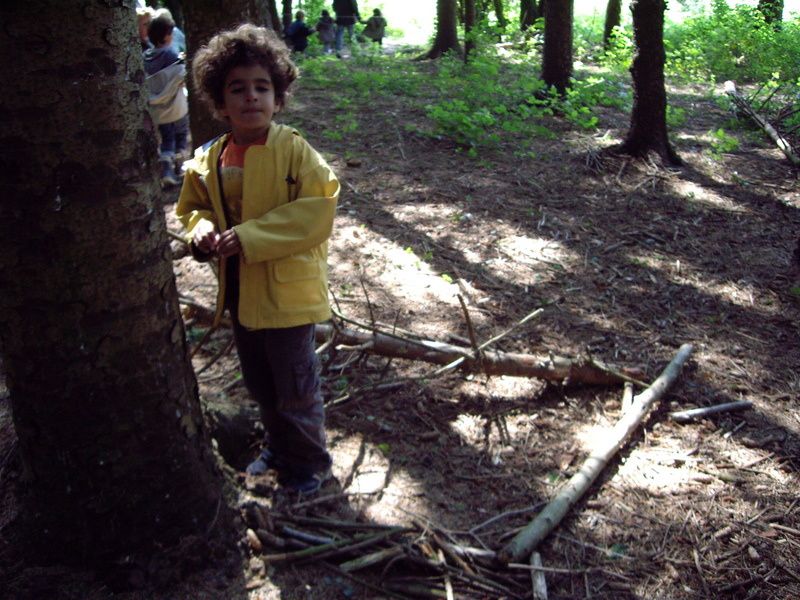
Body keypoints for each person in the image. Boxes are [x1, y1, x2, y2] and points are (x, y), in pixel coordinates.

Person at [176, 24, 339, 495]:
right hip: (240, 293)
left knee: (295, 386)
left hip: (287, 295)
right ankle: (277, 447)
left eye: (262, 87)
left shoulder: (293, 150)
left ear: (279, 97)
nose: (251, 98)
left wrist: (249, 236)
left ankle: (310, 464)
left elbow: (318, 209)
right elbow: (192, 206)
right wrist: (200, 229)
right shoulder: (211, 156)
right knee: (260, 382)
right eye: (238, 89)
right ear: (219, 103)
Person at [144, 9, 189, 187]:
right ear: (167, 35)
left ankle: (167, 172)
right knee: (181, 136)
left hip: (160, 113)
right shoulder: (171, 56)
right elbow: (180, 76)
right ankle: (183, 168)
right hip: (177, 108)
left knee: (167, 140)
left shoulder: (146, 57)